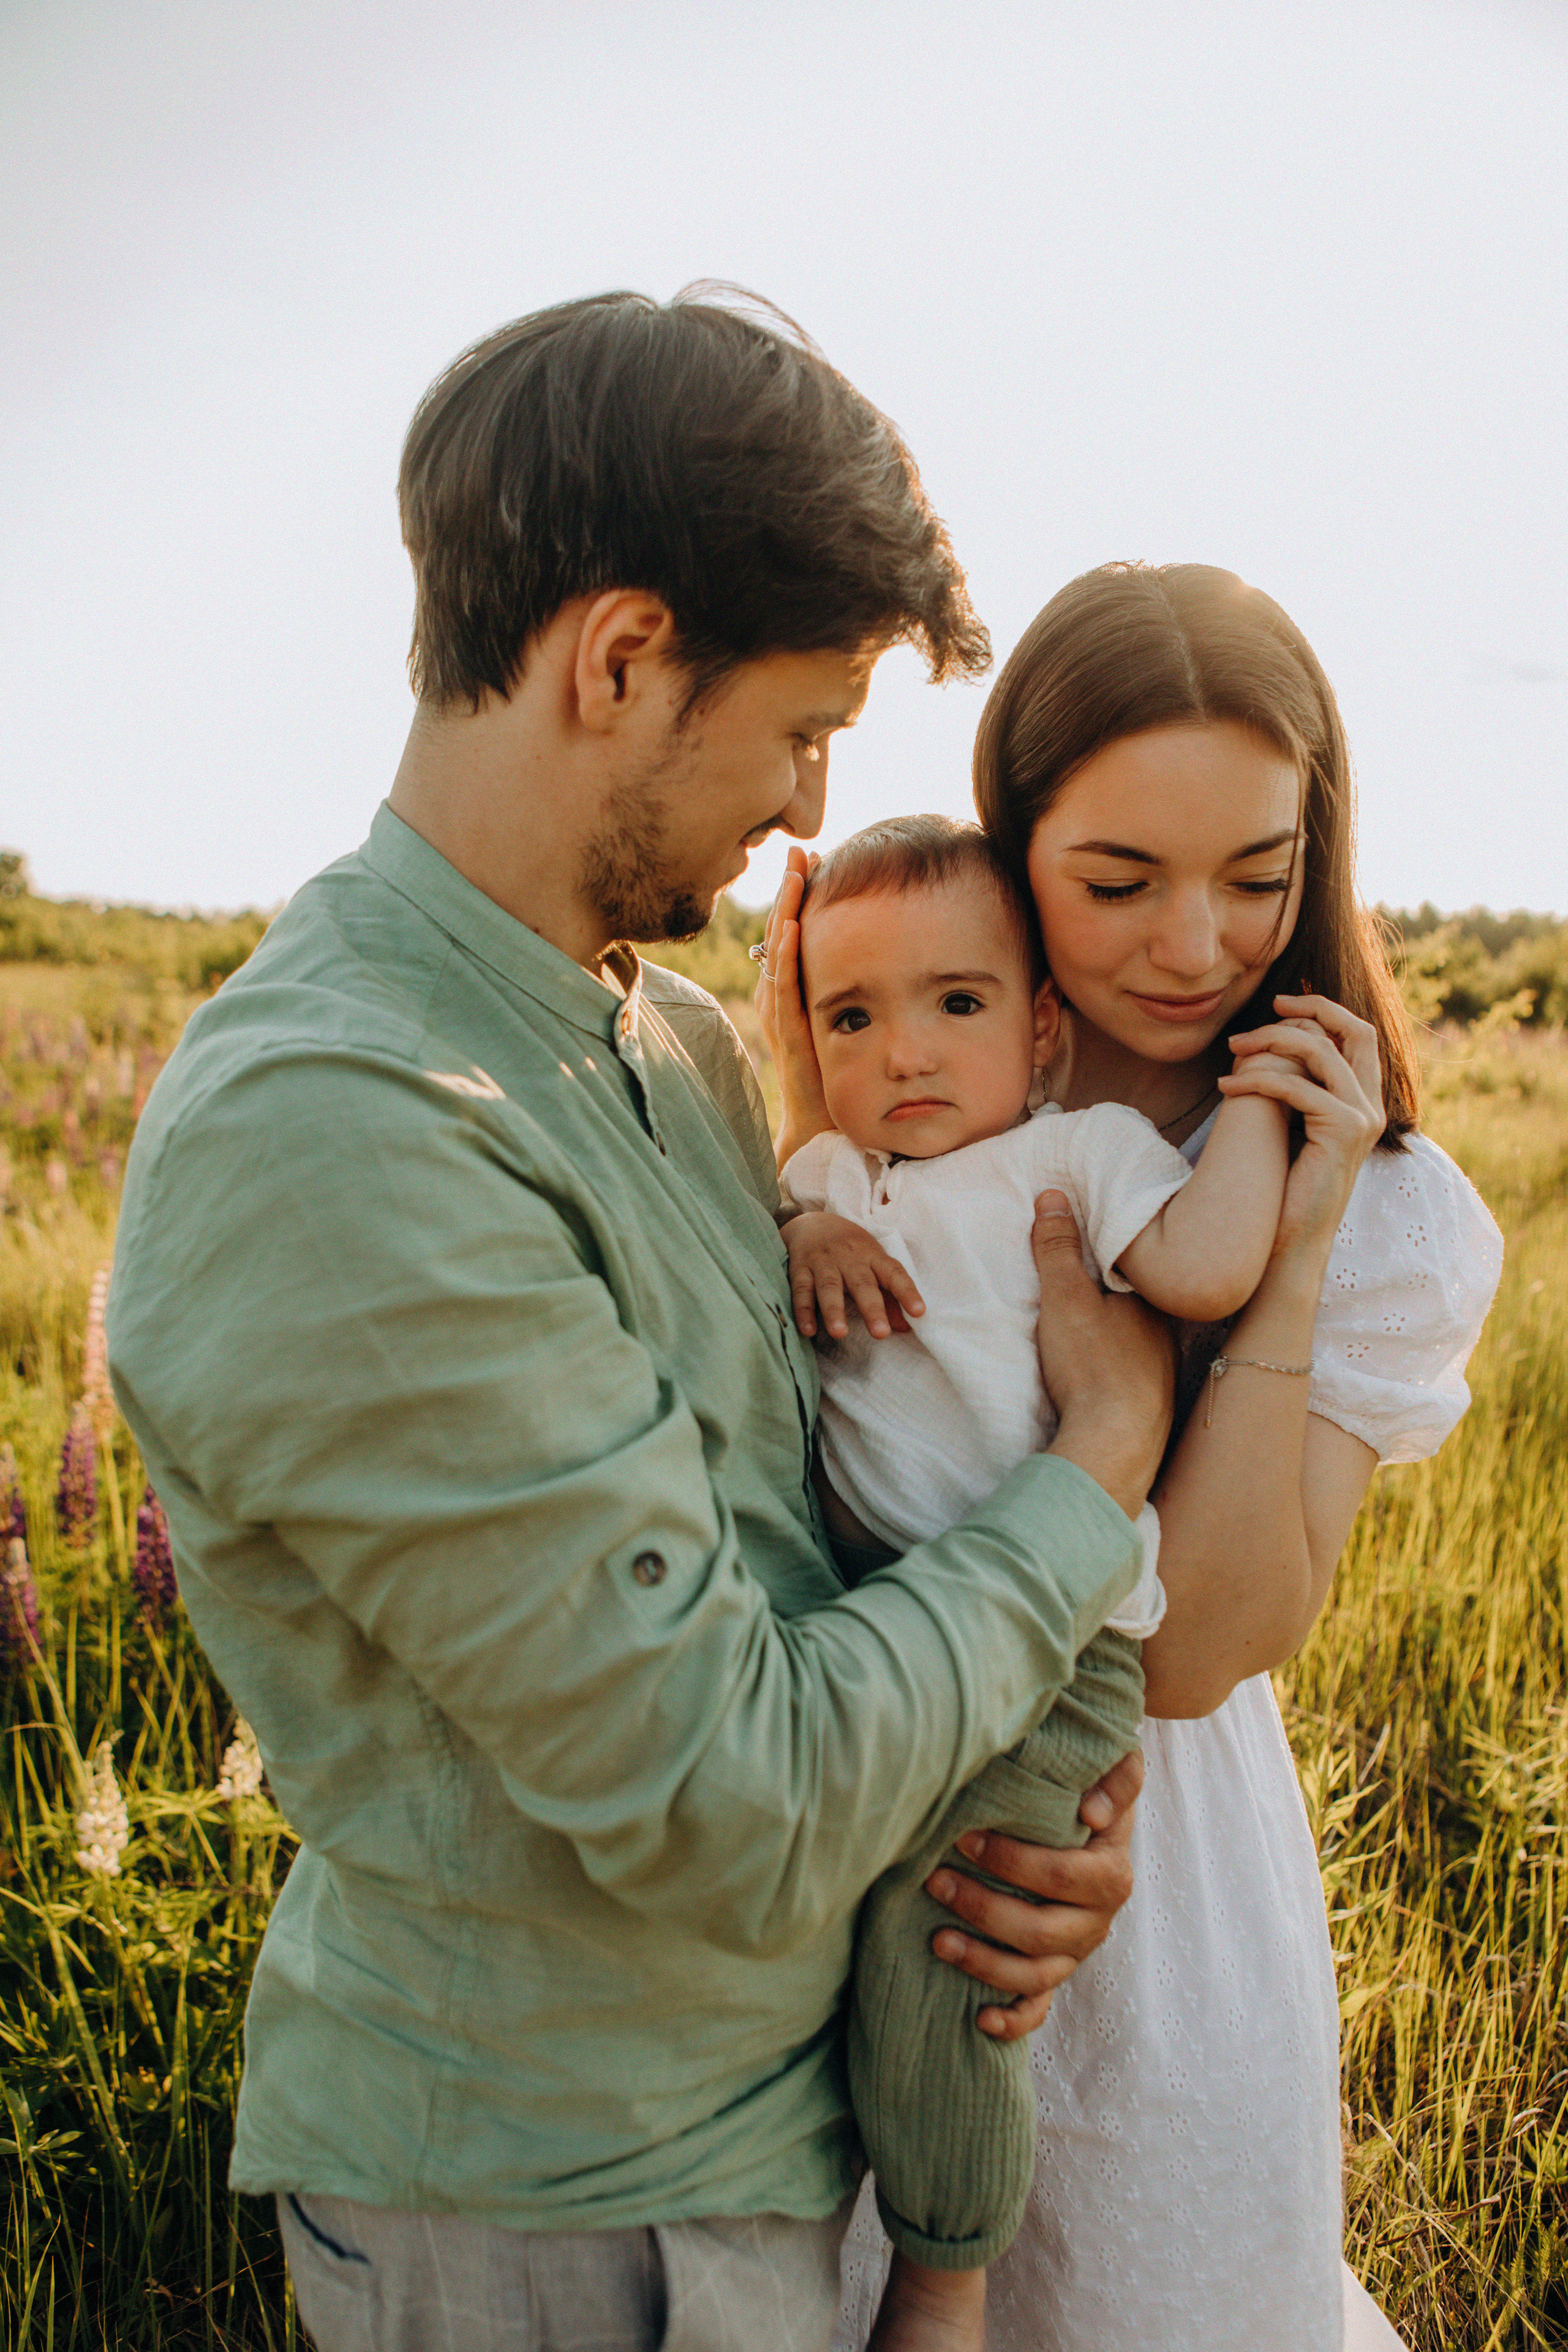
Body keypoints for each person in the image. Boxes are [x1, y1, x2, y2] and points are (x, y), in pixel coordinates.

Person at [104, 295, 1176, 2352]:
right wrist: (1091, 1480)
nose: (805, 804)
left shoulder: (675, 1041)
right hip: (540, 2217)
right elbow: (736, 1796)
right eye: (796, 725)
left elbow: (806, 1560)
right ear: (617, 659)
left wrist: (1003, 1847)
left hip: (767, 2148)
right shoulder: (338, 1131)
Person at [755, 562, 1504, 2352]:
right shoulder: (895, 1077)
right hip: (853, 1815)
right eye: (1116, 883)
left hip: (1152, 1882)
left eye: (1260, 879)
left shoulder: (1393, 1208)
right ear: (1009, 847)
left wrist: (1293, 1243)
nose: (1193, 944)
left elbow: (1193, 1648)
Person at [775, 810, 1304, 2350]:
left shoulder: (1071, 1156)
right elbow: (776, 1205)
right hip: (885, 1626)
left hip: (1056, 1643)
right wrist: (807, 1221)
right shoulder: (825, 1169)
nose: (907, 1052)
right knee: (851, 1945)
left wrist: (1268, 1111)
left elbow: (1203, 1269)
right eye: (851, 1016)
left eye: (957, 1003)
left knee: (954, 1943)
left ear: (1039, 1027)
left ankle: (942, 2276)